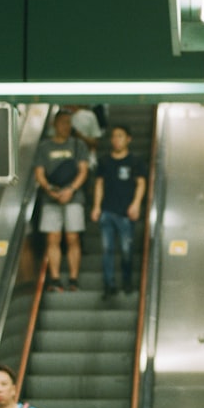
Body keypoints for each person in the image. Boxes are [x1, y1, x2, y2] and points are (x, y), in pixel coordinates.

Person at [34, 109, 90, 292]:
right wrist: (49, 189)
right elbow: (39, 172)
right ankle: (55, 278)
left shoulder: (78, 144)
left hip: (74, 197)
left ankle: (74, 278)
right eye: (63, 122)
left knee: (73, 237)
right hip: (51, 198)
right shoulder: (44, 147)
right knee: (53, 238)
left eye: (69, 123)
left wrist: (71, 190)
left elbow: (83, 170)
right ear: (54, 124)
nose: (67, 126)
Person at [91, 125, 147, 299]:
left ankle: (127, 280)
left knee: (126, 249)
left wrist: (136, 204)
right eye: (114, 136)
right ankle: (109, 285)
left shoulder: (135, 161)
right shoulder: (104, 161)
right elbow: (99, 184)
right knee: (107, 249)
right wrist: (96, 207)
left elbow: (141, 183)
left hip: (125, 213)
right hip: (107, 211)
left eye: (120, 136)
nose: (117, 140)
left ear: (128, 139)